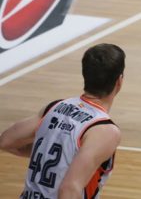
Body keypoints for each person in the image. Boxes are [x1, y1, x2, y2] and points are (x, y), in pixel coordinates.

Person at [0, 43, 125, 199]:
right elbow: (69, 190)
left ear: (85, 75)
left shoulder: (55, 107)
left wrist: (51, 153)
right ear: (119, 81)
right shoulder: (104, 131)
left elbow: (6, 141)